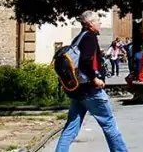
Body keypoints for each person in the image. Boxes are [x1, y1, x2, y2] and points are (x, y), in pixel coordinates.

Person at [55, 11, 128, 152]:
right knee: (109, 124)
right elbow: (85, 61)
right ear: (90, 23)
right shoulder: (90, 38)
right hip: (91, 90)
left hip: (78, 90)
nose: (100, 23)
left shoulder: (78, 38)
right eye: (97, 21)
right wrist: (95, 79)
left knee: (71, 127)